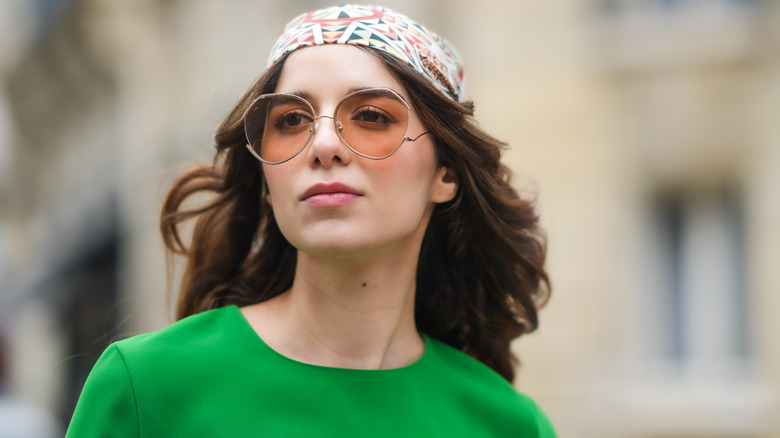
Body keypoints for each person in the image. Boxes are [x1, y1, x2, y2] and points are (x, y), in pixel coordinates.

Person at [66, 4, 554, 436]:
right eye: (291, 121)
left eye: (371, 115)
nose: (322, 146)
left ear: (445, 174)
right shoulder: (146, 387)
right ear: (265, 172)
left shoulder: (508, 424)